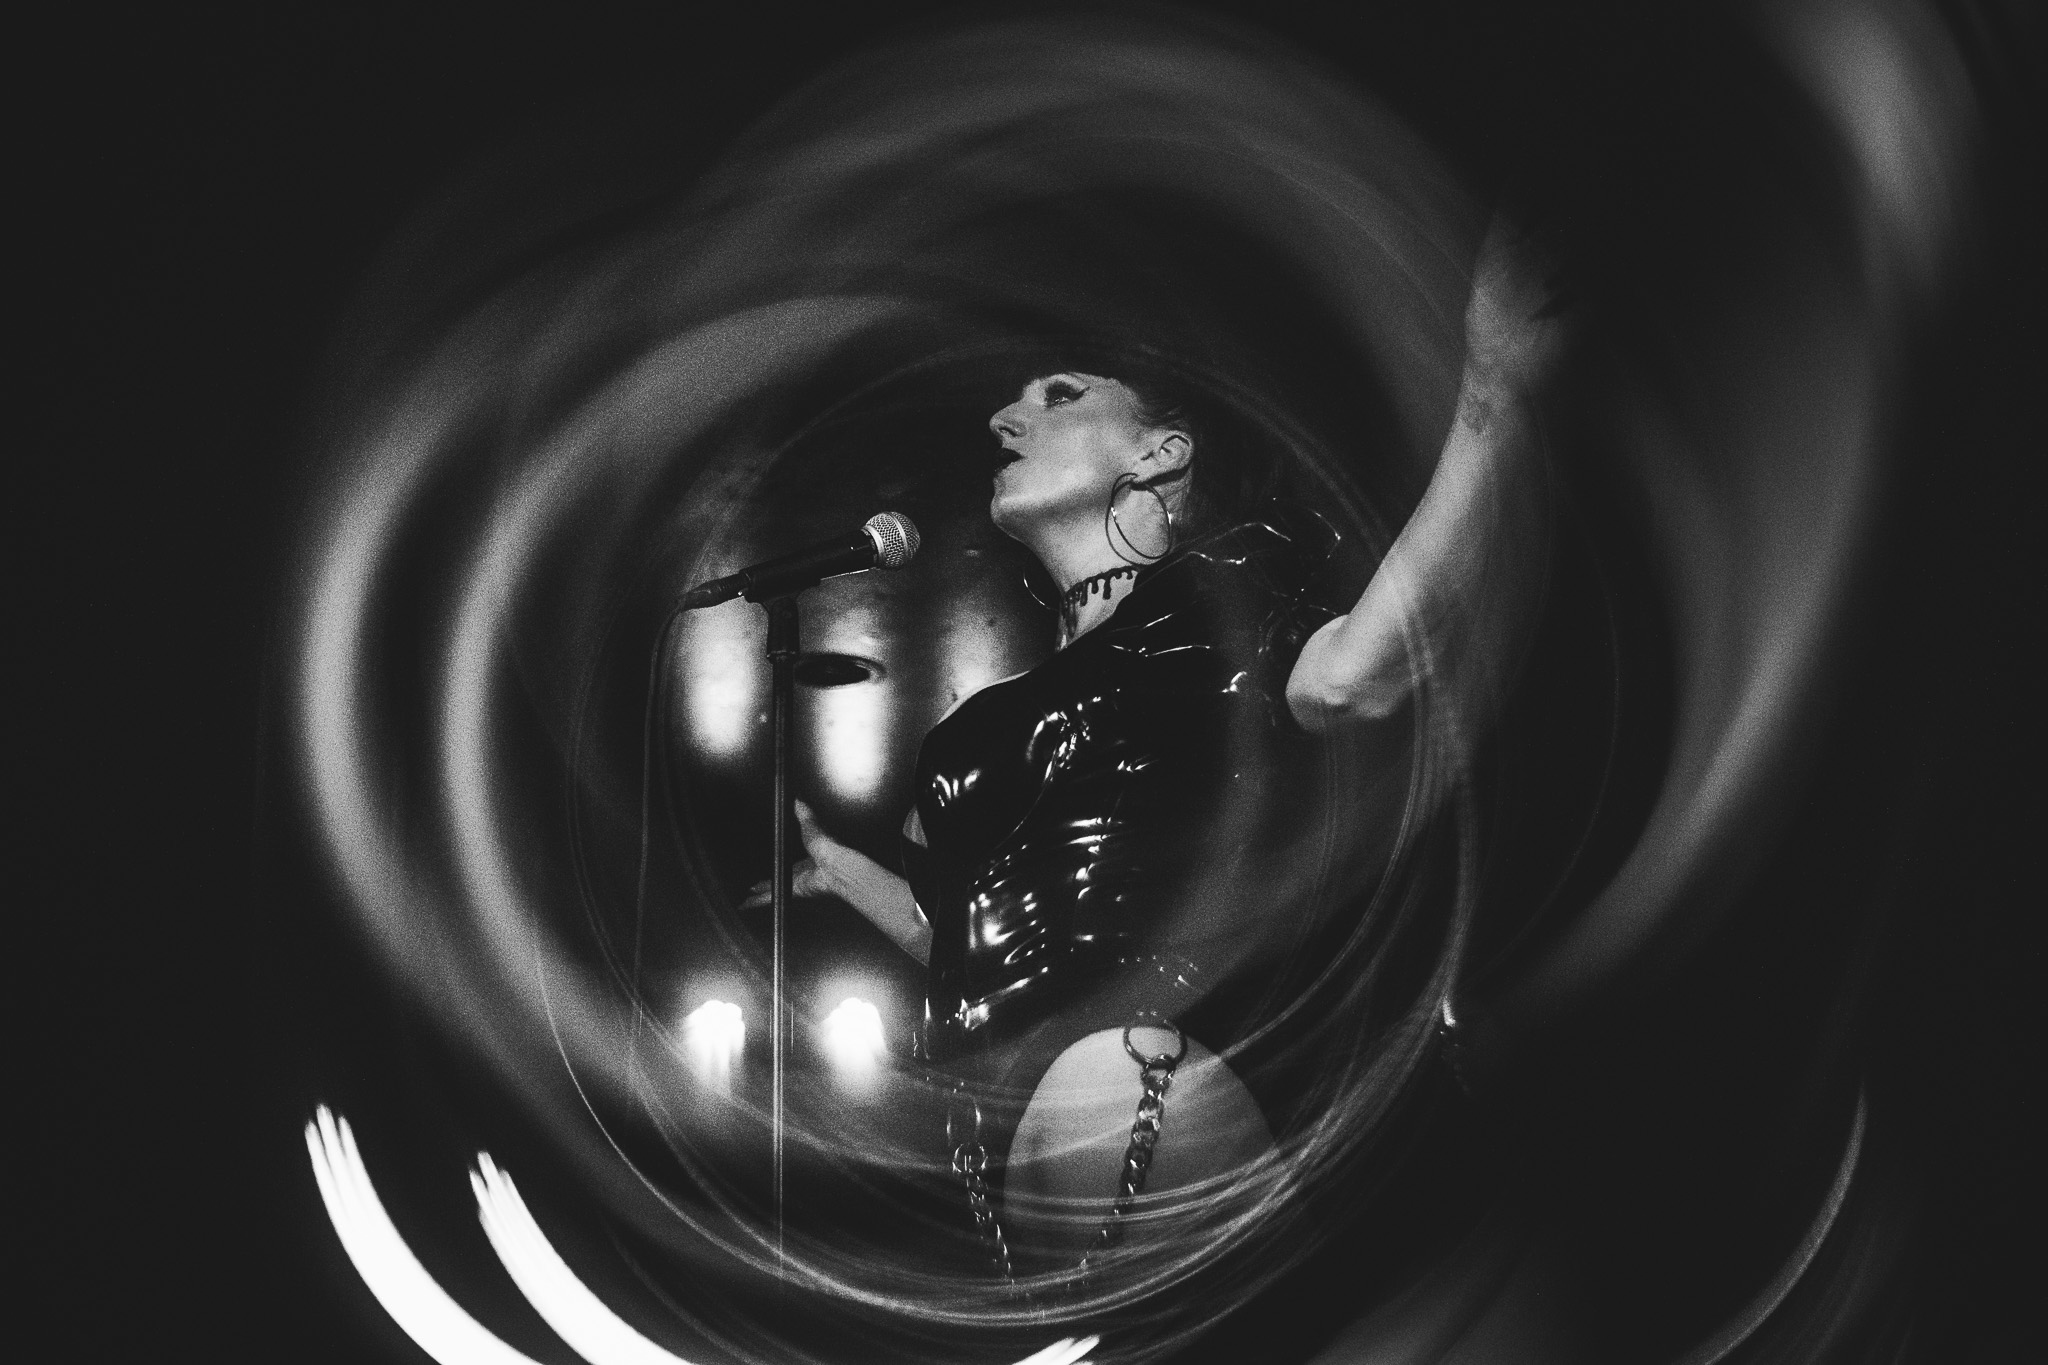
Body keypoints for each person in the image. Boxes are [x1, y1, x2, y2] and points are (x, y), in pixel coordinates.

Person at [769, 216, 1561, 1273]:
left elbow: (1353, 677)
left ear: (1160, 451)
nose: (1004, 418)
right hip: (990, 1139)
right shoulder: (972, 730)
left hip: (1143, 1076)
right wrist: (841, 870)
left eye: (1059, 396)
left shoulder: (1220, 609)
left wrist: (1490, 399)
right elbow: (961, 935)